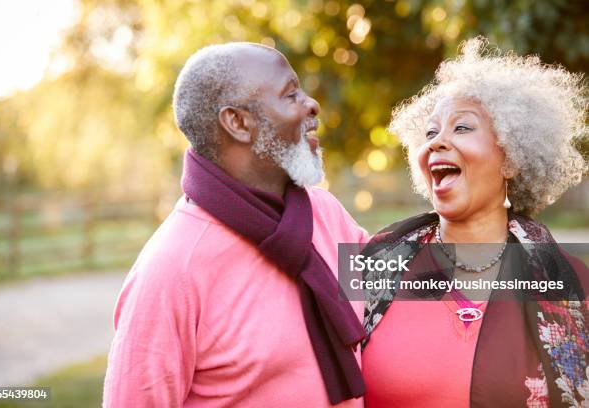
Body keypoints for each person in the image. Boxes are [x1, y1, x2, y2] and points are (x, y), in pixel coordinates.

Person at [102, 42, 369, 407]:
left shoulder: (324, 213)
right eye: (291, 94)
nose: (312, 104)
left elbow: (414, 286)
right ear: (239, 123)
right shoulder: (171, 269)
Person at [361, 37, 588, 407]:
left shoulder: (572, 285)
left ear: (511, 159)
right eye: (430, 132)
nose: (437, 143)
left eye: (462, 128)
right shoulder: (374, 265)